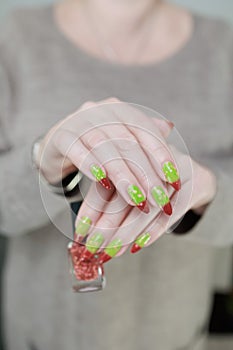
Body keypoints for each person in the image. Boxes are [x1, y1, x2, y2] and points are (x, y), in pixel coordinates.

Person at [0, 0, 232, 349]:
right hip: (39, 336)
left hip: (176, 336)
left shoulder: (224, 48)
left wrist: (208, 191)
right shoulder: (14, 37)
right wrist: (43, 159)